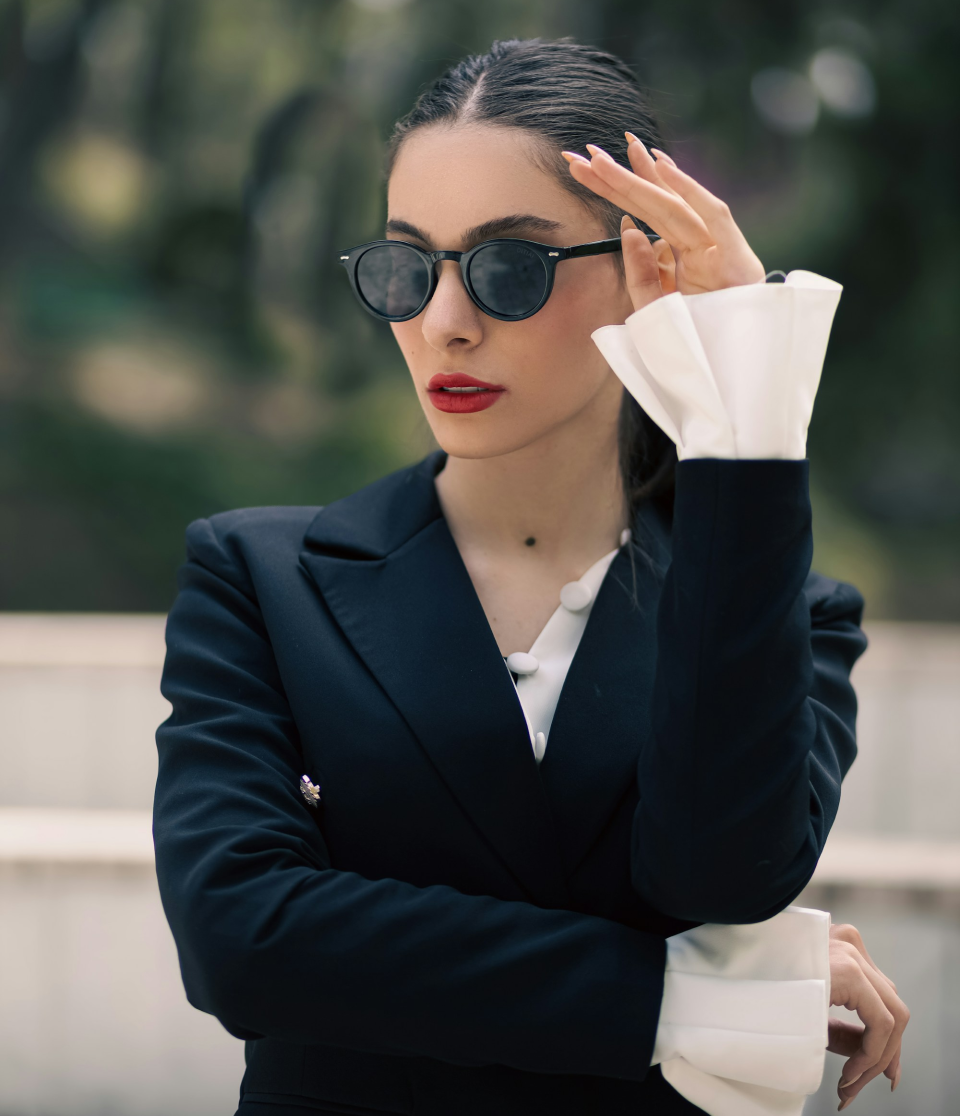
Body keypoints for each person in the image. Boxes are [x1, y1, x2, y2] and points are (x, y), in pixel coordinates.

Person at [154, 38, 909, 1116]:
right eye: (407, 267)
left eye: (510, 266)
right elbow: (245, 942)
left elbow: (715, 877)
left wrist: (744, 418)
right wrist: (701, 1001)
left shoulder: (785, 610)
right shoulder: (259, 579)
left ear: (651, 263)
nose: (443, 323)